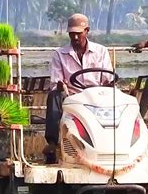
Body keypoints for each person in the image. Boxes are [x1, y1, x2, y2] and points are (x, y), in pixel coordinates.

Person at [43, 13, 113, 164]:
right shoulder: (59, 54)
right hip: (72, 97)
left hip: (98, 97)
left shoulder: (101, 51)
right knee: (54, 95)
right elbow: (56, 82)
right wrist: (62, 86)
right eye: (72, 34)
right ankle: (53, 144)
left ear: (87, 31)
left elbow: (108, 78)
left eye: (78, 34)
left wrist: (107, 87)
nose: (75, 38)